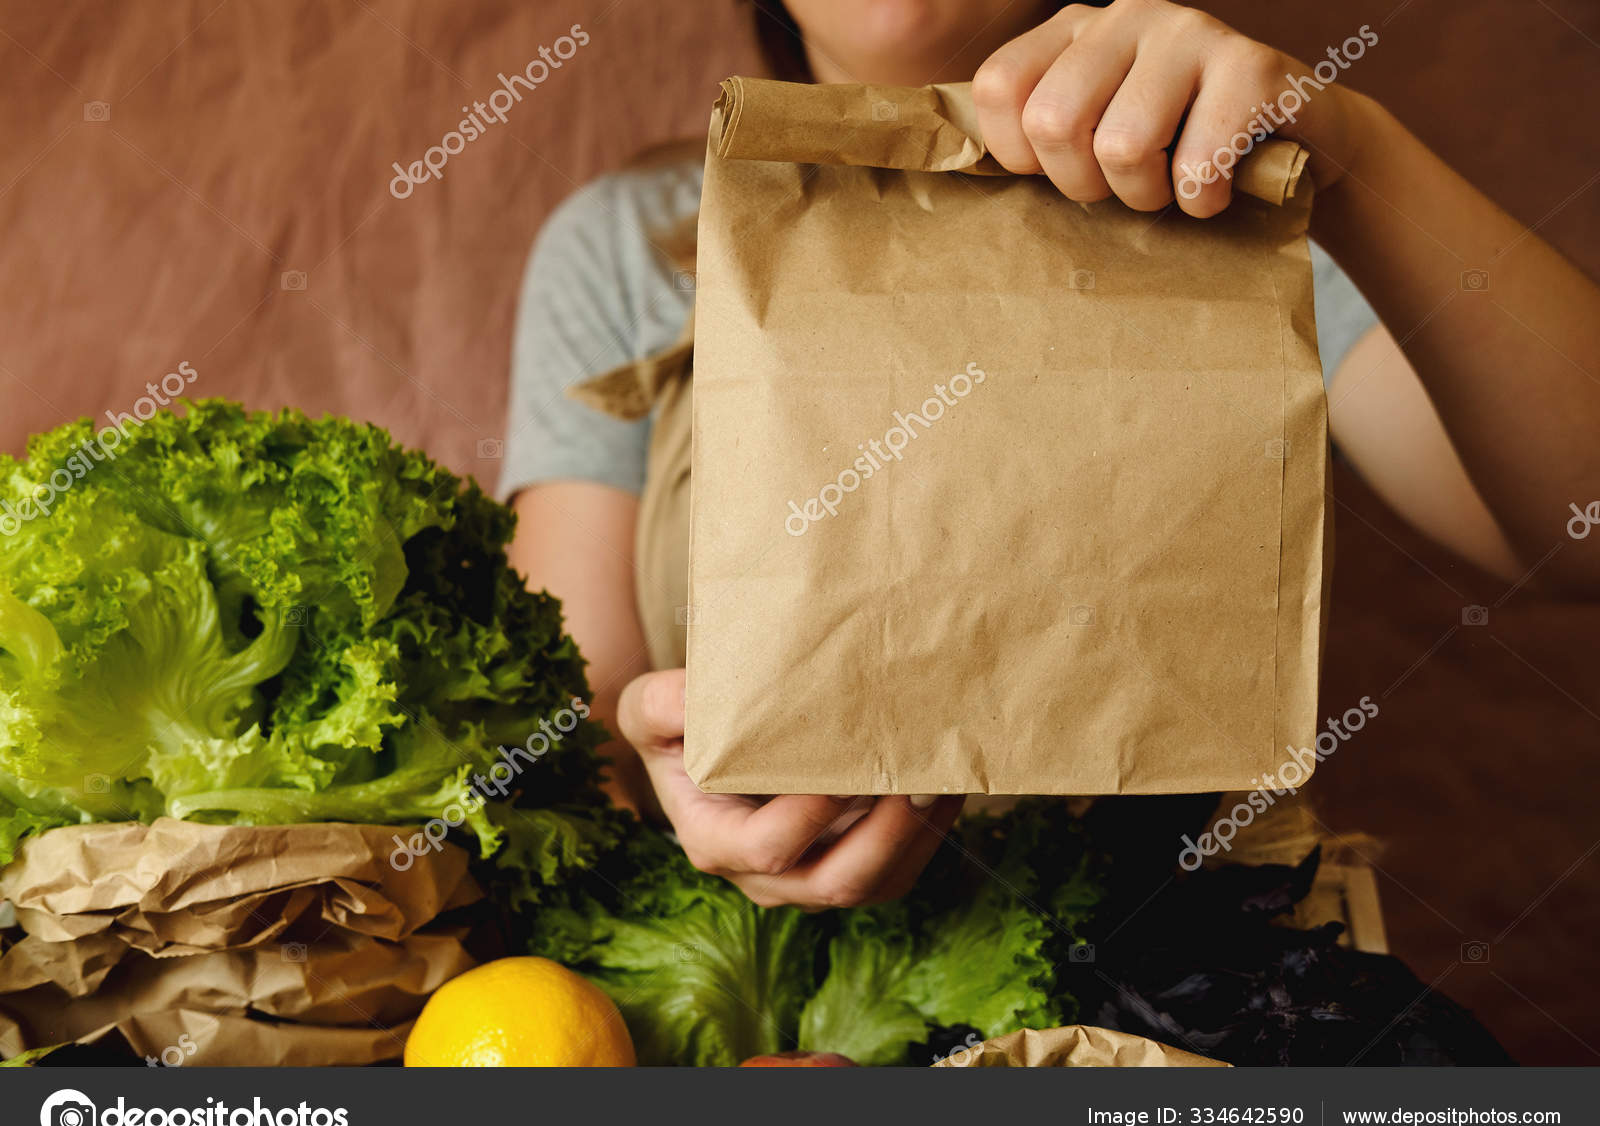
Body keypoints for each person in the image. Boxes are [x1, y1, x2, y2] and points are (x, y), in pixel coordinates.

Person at [501, 0, 1600, 910]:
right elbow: (579, 711)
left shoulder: (1226, 181)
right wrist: (658, 759)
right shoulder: (621, 241)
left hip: (1188, 1009)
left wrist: (1354, 156)